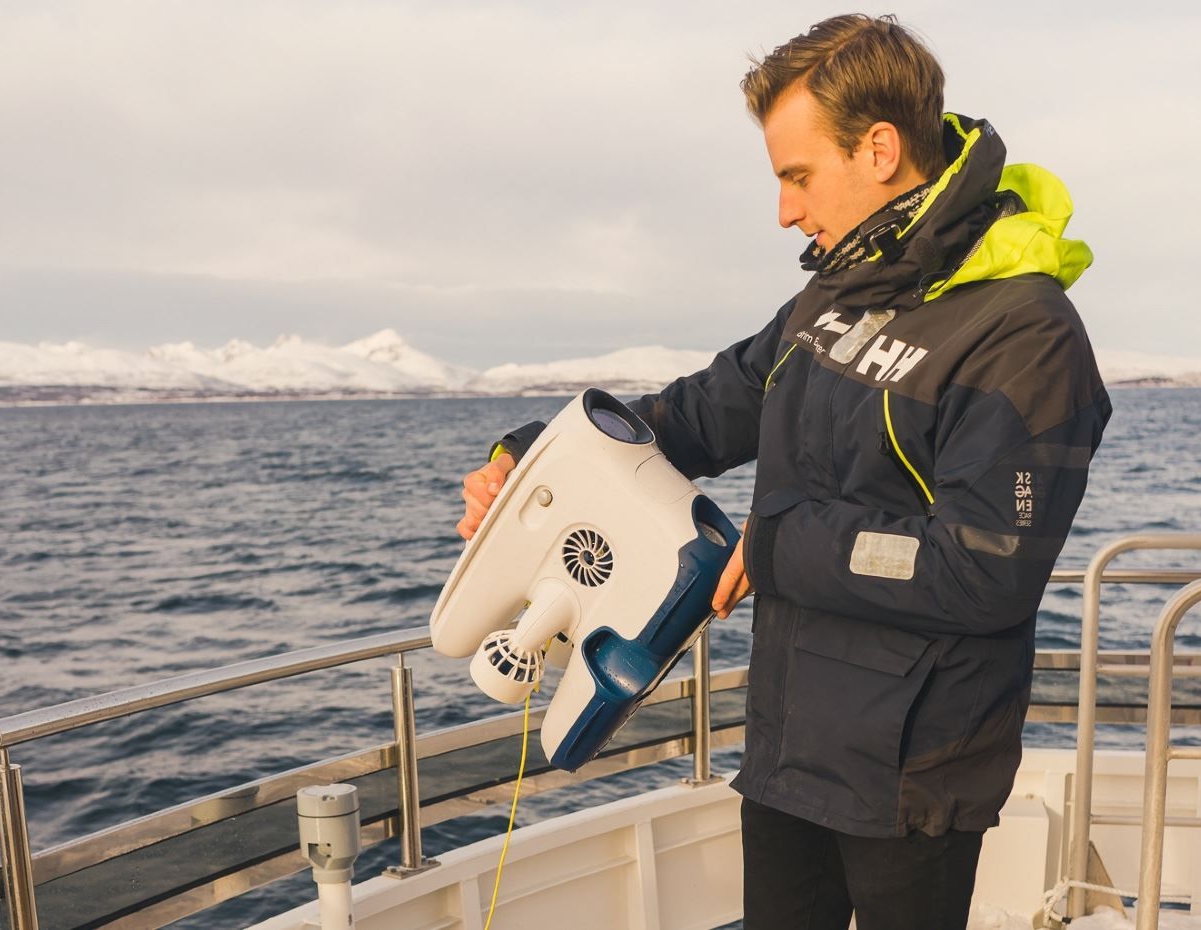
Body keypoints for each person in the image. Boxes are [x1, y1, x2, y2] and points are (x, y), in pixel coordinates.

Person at [457, 13, 1111, 930]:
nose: (785, 211)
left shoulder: (1025, 333)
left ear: (878, 149)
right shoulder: (828, 300)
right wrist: (530, 461)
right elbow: (688, 419)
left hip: (912, 779)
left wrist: (776, 545)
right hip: (787, 750)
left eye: (797, 176)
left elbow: (983, 568)